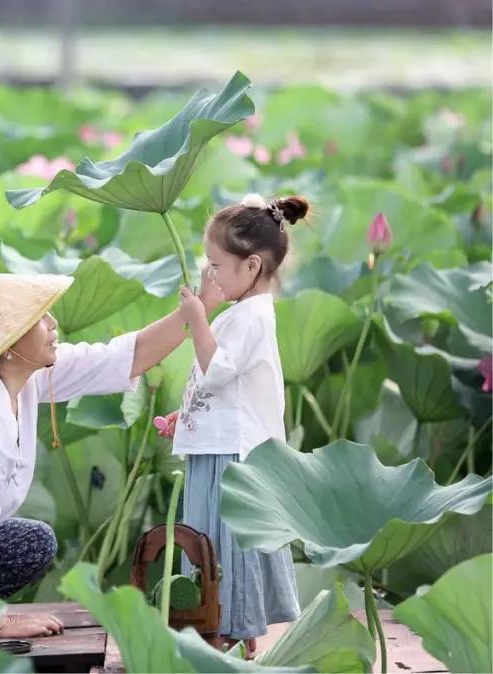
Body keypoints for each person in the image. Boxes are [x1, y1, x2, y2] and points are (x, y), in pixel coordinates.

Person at [0, 269, 222, 637]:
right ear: (9, 340)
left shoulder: (22, 376)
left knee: (34, 543)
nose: (53, 322)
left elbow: (123, 357)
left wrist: (197, 311)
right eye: (39, 317)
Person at [157, 193, 308, 658]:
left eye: (217, 265)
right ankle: (222, 624)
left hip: (235, 454)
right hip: (219, 444)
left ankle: (231, 623)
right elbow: (223, 387)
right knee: (207, 539)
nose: (211, 274)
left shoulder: (254, 316)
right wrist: (187, 416)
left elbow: (217, 369)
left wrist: (198, 318)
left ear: (251, 267)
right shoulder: (242, 313)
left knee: (225, 544)